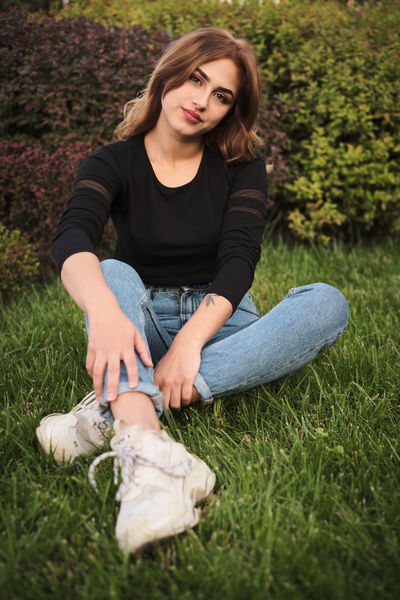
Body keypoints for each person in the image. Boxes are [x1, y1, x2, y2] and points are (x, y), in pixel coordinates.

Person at [36, 28, 349, 554]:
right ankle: (152, 456)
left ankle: (118, 405)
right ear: (168, 76)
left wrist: (189, 344)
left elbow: (239, 261)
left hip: (220, 321)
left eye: (221, 95)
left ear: (230, 110)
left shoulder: (241, 167)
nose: (202, 101)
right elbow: (72, 236)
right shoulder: (112, 161)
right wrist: (105, 314)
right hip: (140, 319)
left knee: (326, 303)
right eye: (195, 79)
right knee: (110, 273)